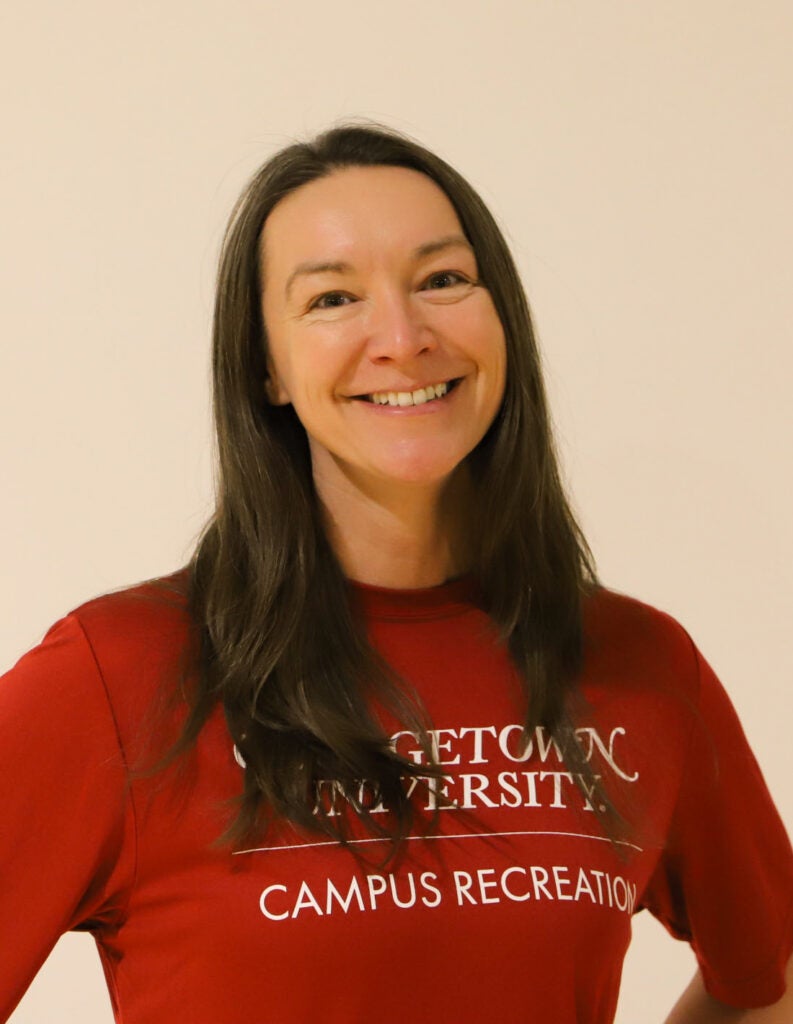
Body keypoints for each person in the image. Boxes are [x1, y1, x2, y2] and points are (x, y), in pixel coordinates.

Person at [1, 123, 791, 1024]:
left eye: (442, 280)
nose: (403, 337)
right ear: (266, 367)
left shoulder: (637, 664)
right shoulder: (121, 677)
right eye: (333, 297)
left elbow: (767, 977)